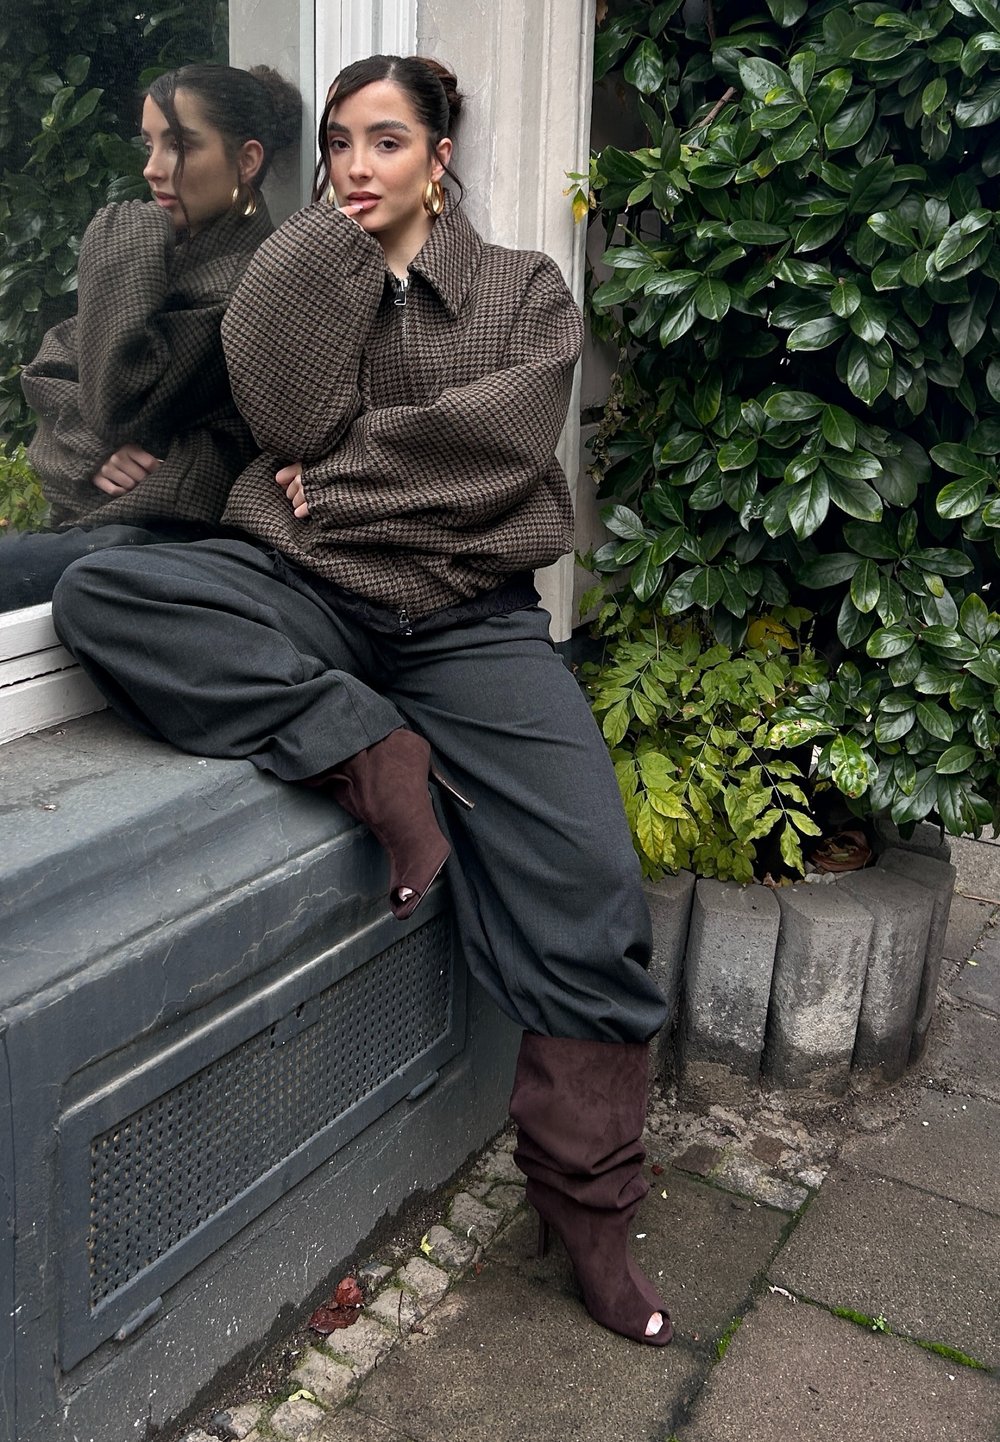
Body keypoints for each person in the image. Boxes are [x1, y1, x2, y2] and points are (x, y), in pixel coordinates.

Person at [51, 54, 673, 1346]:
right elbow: (280, 409)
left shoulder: (521, 289)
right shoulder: (305, 268)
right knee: (115, 594)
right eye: (339, 140)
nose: (355, 163)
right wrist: (315, 295)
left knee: (591, 881)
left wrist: (328, 477)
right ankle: (370, 753)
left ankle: (589, 1207)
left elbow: (494, 454)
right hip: (310, 596)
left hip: (466, 617)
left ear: (440, 153)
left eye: (386, 139)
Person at [1, 62, 301, 612]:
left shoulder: (255, 279)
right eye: (149, 144)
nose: (152, 169)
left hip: (181, 541)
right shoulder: (177, 259)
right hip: (122, 530)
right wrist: (94, 450)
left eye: (179, 145)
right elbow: (49, 371)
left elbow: (117, 396)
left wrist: (126, 234)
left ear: (247, 160)